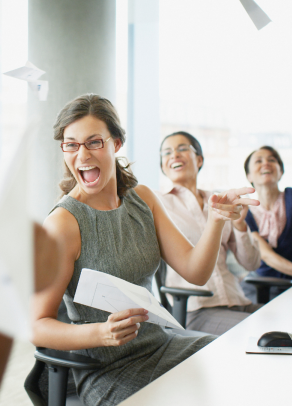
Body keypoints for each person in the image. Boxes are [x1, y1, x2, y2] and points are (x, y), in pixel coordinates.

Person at [33, 94, 259, 406]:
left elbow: (196, 271)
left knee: (242, 368)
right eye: (71, 145)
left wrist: (216, 219)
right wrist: (101, 333)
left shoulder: (143, 199)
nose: (81, 155)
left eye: (94, 142)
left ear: (116, 144)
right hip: (107, 371)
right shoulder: (63, 224)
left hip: (162, 347)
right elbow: (36, 325)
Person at [156, 131, 262, 335]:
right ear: (163, 166)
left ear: (199, 159)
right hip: (196, 309)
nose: (174, 155)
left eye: (182, 149)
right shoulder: (158, 205)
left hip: (237, 300)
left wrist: (240, 225)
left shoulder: (220, 202)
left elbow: (252, 263)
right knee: (261, 332)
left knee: (288, 323)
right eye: (167, 152)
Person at [242, 134, 292, 282]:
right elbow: (265, 254)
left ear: (281, 172)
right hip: (263, 287)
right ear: (249, 176)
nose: (266, 163)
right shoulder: (246, 213)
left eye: (272, 160)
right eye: (258, 161)